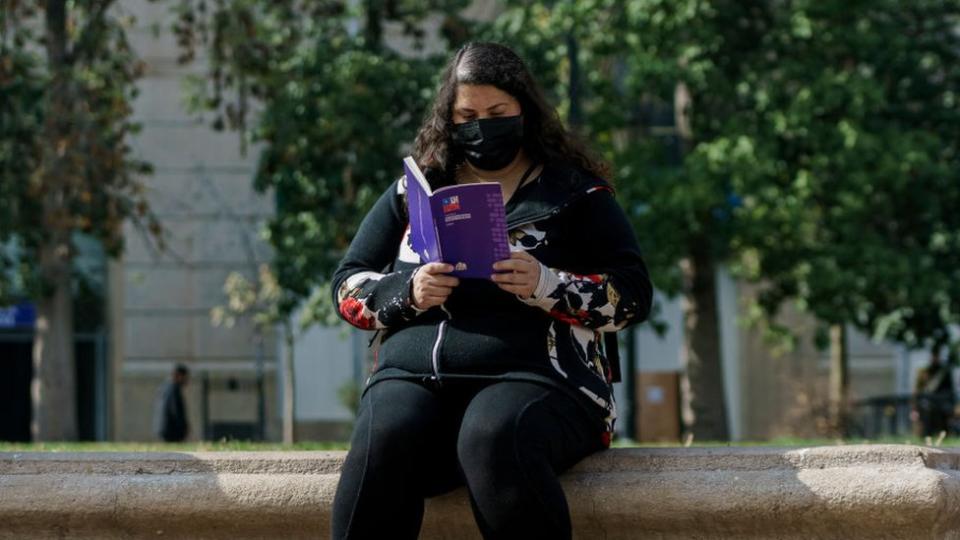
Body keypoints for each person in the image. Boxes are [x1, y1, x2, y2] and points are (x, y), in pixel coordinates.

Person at [330, 42, 652, 539]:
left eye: (498, 112)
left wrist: (547, 283)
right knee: (384, 434)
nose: (482, 125)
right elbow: (347, 284)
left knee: (490, 435)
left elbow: (631, 295)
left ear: (525, 109)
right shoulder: (415, 187)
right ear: (449, 118)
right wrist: (408, 291)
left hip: (539, 381)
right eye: (467, 115)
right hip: (414, 376)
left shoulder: (575, 193)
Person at [912, 349, 956, 437]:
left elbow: (949, 389)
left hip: (941, 401)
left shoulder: (944, 371)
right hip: (928, 401)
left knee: (944, 413)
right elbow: (918, 390)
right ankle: (926, 434)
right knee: (927, 412)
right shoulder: (924, 370)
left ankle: (944, 433)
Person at [154, 363, 190, 443]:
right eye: (185, 377)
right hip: (171, 430)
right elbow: (176, 411)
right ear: (178, 375)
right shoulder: (174, 388)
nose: (186, 380)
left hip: (163, 428)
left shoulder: (165, 386)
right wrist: (184, 427)